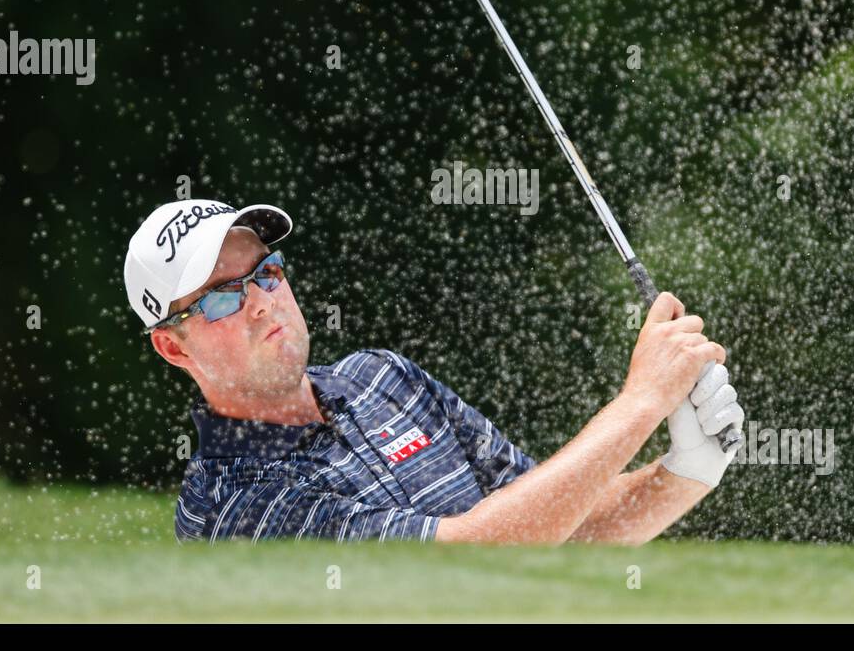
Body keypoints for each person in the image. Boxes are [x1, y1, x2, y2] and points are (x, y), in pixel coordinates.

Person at [124, 198, 744, 545]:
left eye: (265, 272)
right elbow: (473, 558)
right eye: (223, 297)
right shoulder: (240, 507)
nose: (260, 299)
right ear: (175, 349)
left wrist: (686, 470)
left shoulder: (382, 378)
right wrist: (637, 405)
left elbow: (551, 526)